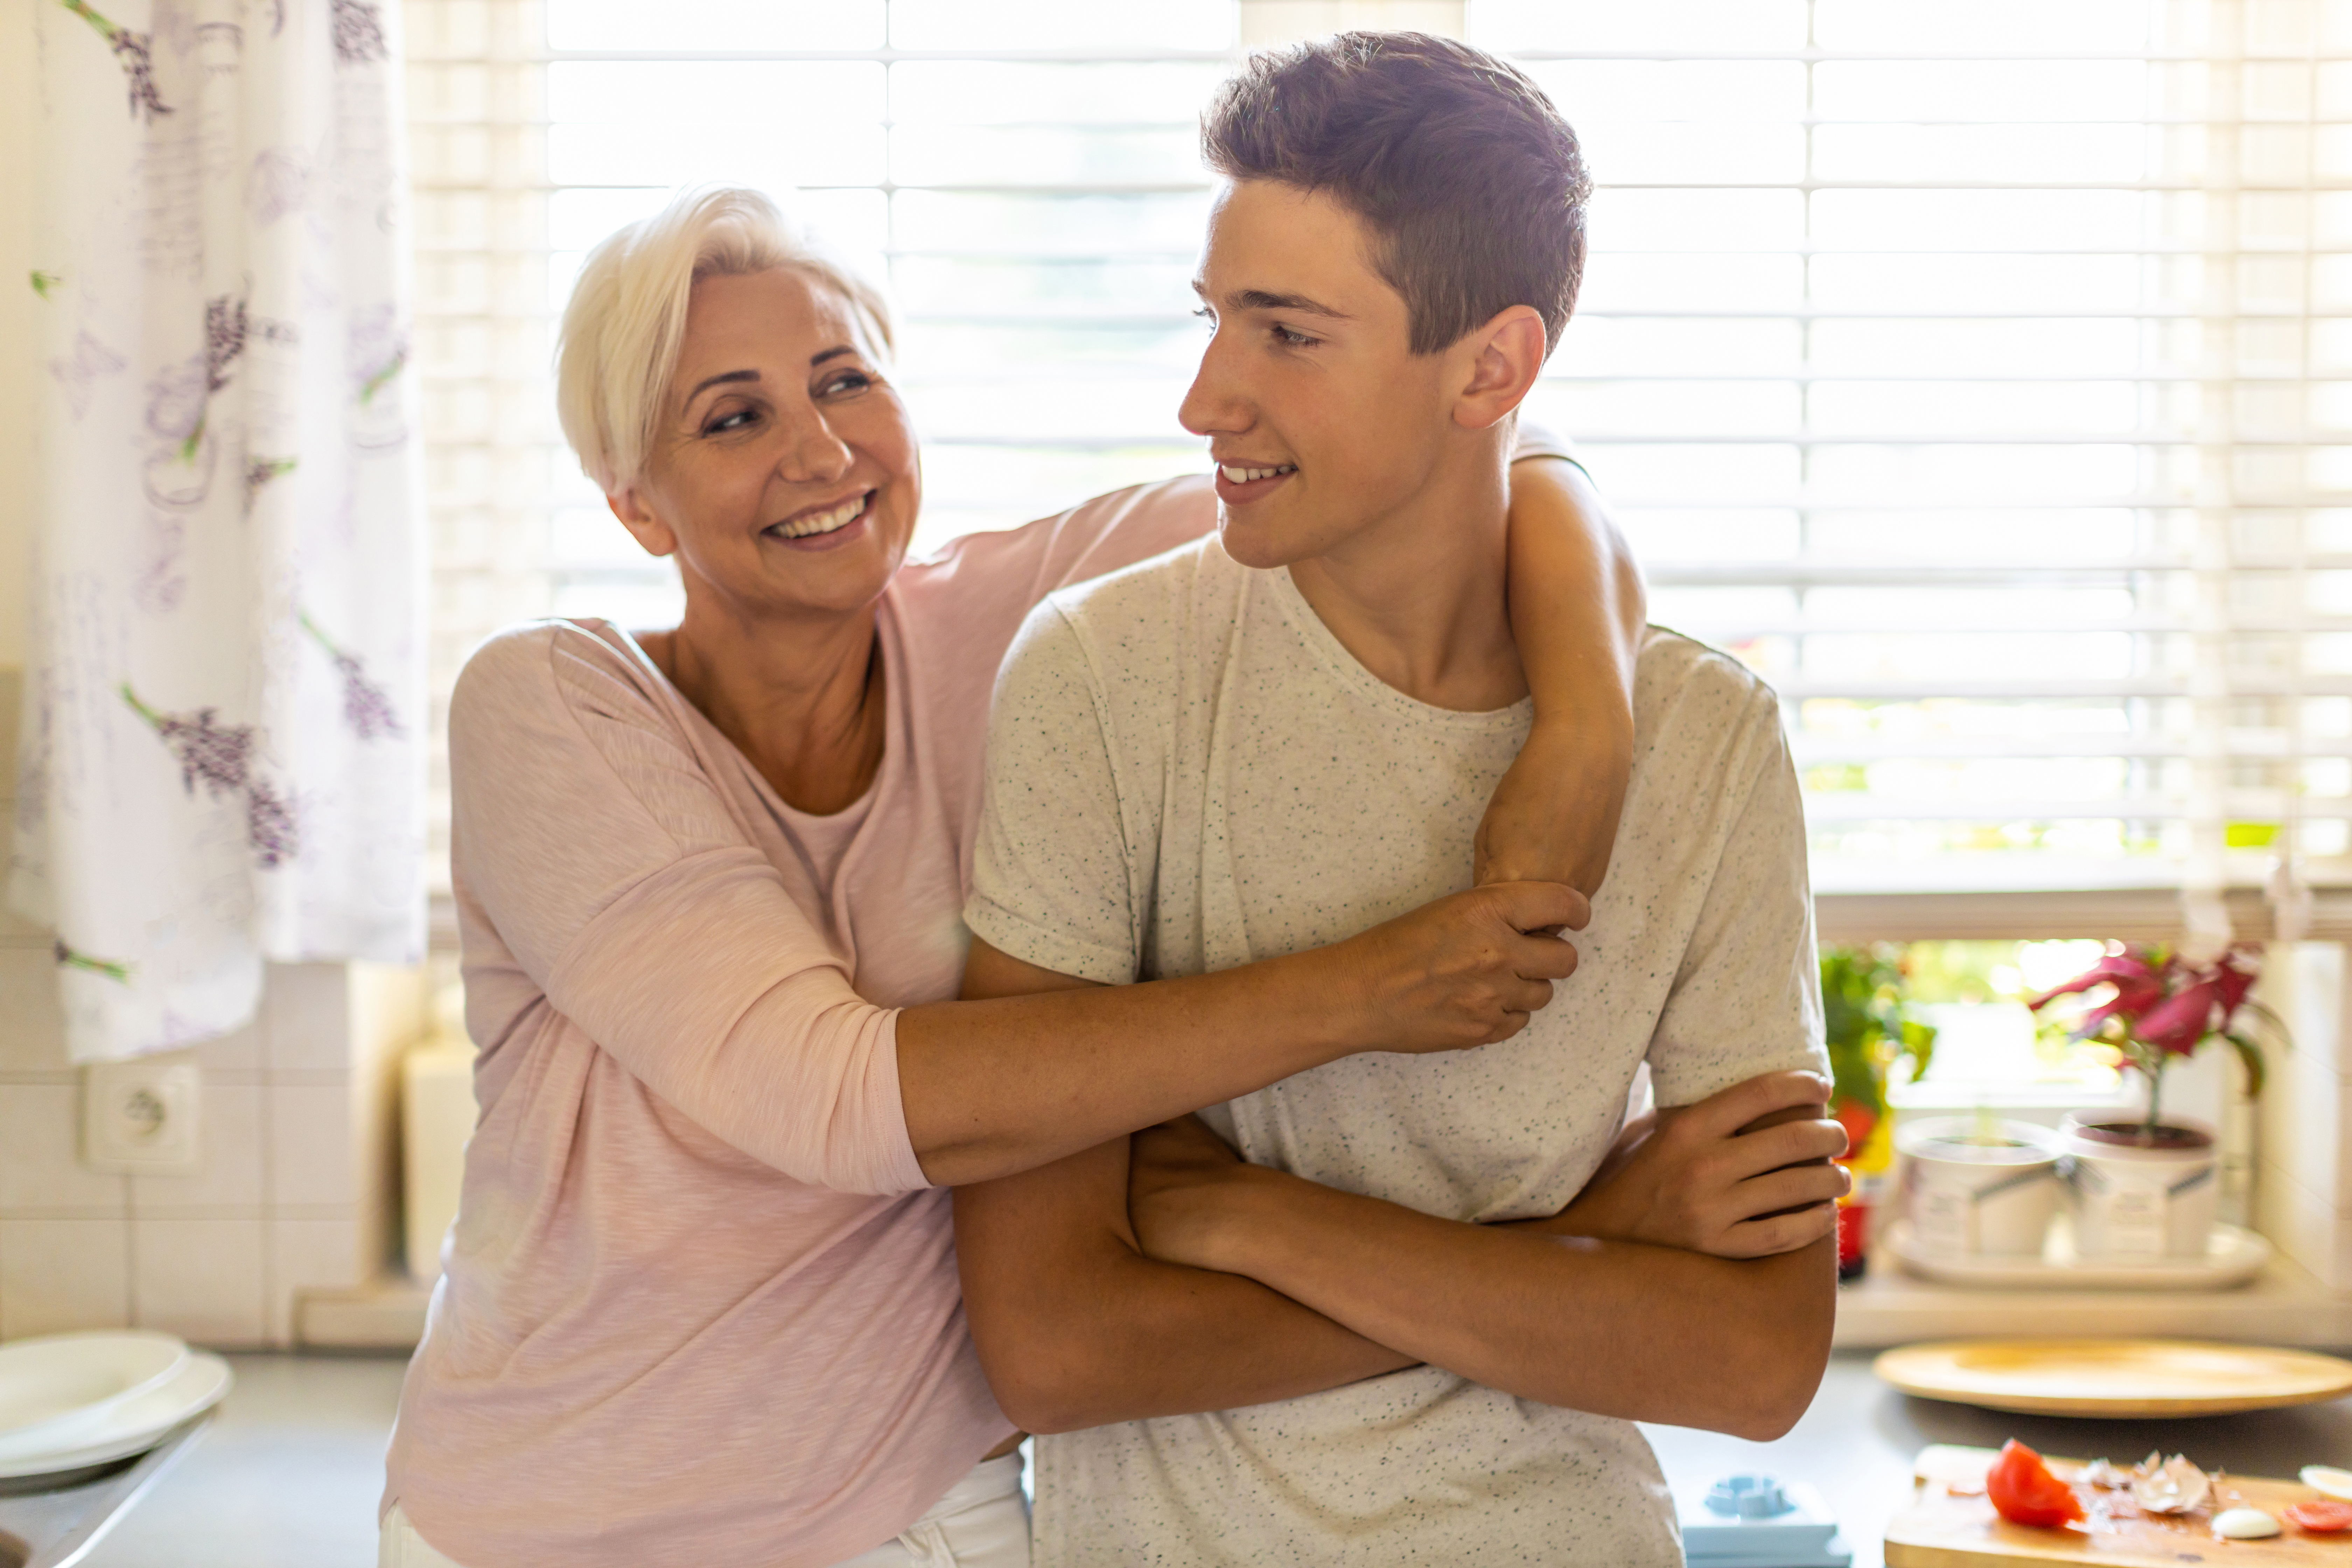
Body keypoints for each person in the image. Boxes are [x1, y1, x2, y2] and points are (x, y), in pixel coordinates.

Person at [377, 181, 1653, 1568]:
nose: (819, 450)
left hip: (923, 1509)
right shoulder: (555, 703)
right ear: (636, 505)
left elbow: (1459, 456)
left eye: (845, 381)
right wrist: (1373, 999)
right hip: (558, 1520)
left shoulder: (1019, 628)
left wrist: (1588, 722)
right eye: (734, 417)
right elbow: (831, 1097)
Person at [951, 34, 1845, 1567]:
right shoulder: (1102, 677)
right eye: (1216, 316)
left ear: (1490, 368)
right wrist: (1577, 1262)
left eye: (1287, 335)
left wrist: (1247, 1215)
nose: (1203, 399)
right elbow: (1056, 1345)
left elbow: (1754, 1362)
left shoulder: (1703, 738)